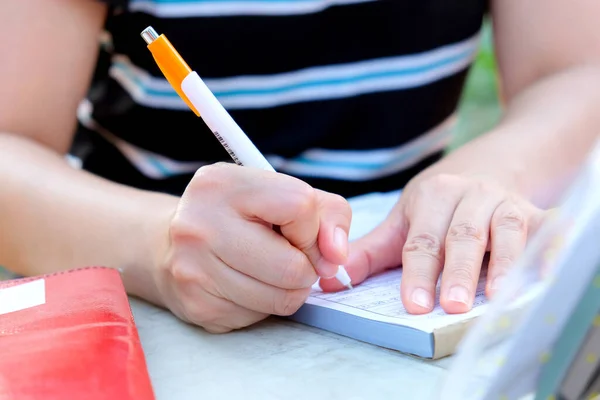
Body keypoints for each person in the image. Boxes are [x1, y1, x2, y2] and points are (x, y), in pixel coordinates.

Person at [1, 0, 599, 334]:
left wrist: (490, 175)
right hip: (145, 311)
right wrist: (156, 245)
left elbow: (577, 71)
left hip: (403, 296)